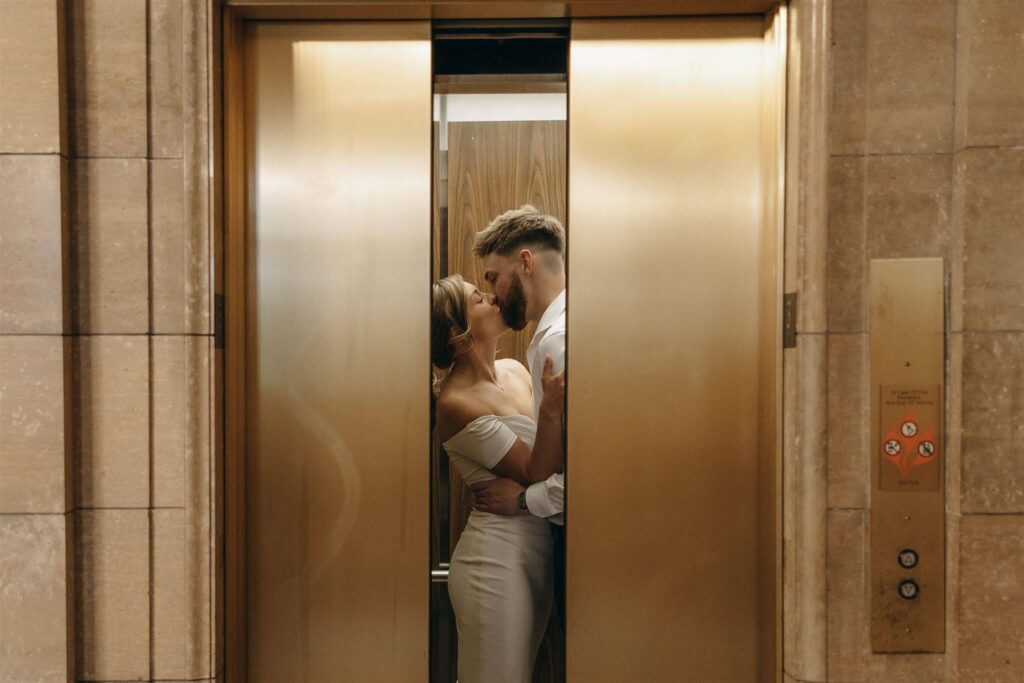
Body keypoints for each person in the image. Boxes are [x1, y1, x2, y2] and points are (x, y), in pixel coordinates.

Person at [432, 273, 566, 683]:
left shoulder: (514, 369)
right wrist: (549, 412)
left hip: (538, 549)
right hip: (495, 560)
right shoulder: (456, 402)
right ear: (458, 330)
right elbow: (534, 470)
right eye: (479, 298)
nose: (493, 298)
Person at [470, 205, 566, 526]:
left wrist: (525, 500)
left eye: (493, 278)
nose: (493, 296)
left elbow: (595, 467)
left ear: (525, 263)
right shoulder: (552, 336)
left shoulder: (559, 341)